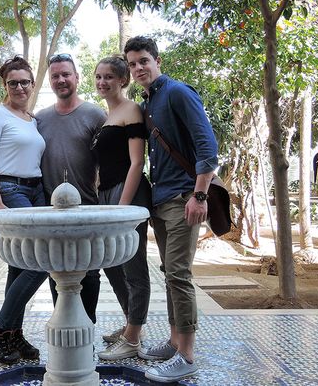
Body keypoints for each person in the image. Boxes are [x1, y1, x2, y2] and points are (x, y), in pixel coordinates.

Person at [124, 36, 218, 383]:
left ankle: (187, 355)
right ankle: (175, 341)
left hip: (183, 198)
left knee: (178, 274)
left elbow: (207, 146)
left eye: (143, 61)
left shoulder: (178, 92)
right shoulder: (148, 102)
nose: (138, 68)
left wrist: (200, 195)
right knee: (170, 272)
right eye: (133, 64)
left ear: (157, 60)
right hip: (162, 200)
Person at [0, 56, 47, 364]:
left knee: (19, 265)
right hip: (10, 190)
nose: (19, 87)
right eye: (13, 82)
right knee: (41, 260)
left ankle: (12, 334)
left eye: (24, 82)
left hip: (36, 190)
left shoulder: (33, 120)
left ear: (32, 84)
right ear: (5, 85)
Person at [36, 53, 107, 324]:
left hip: (87, 206)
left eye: (66, 74)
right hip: (50, 210)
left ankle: (87, 329)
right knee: (57, 269)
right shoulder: (40, 118)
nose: (61, 80)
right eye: (55, 76)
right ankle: (65, 325)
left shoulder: (95, 115)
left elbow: (108, 161)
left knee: (90, 270)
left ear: (76, 77)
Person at [91, 56, 152, 360]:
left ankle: (133, 338)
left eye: (109, 77)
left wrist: (122, 207)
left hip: (128, 195)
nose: (102, 82)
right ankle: (131, 324)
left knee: (133, 265)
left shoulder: (131, 110)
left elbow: (137, 162)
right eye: (99, 77)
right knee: (112, 263)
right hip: (107, 195)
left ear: (123, 80)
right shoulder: (107, 115)